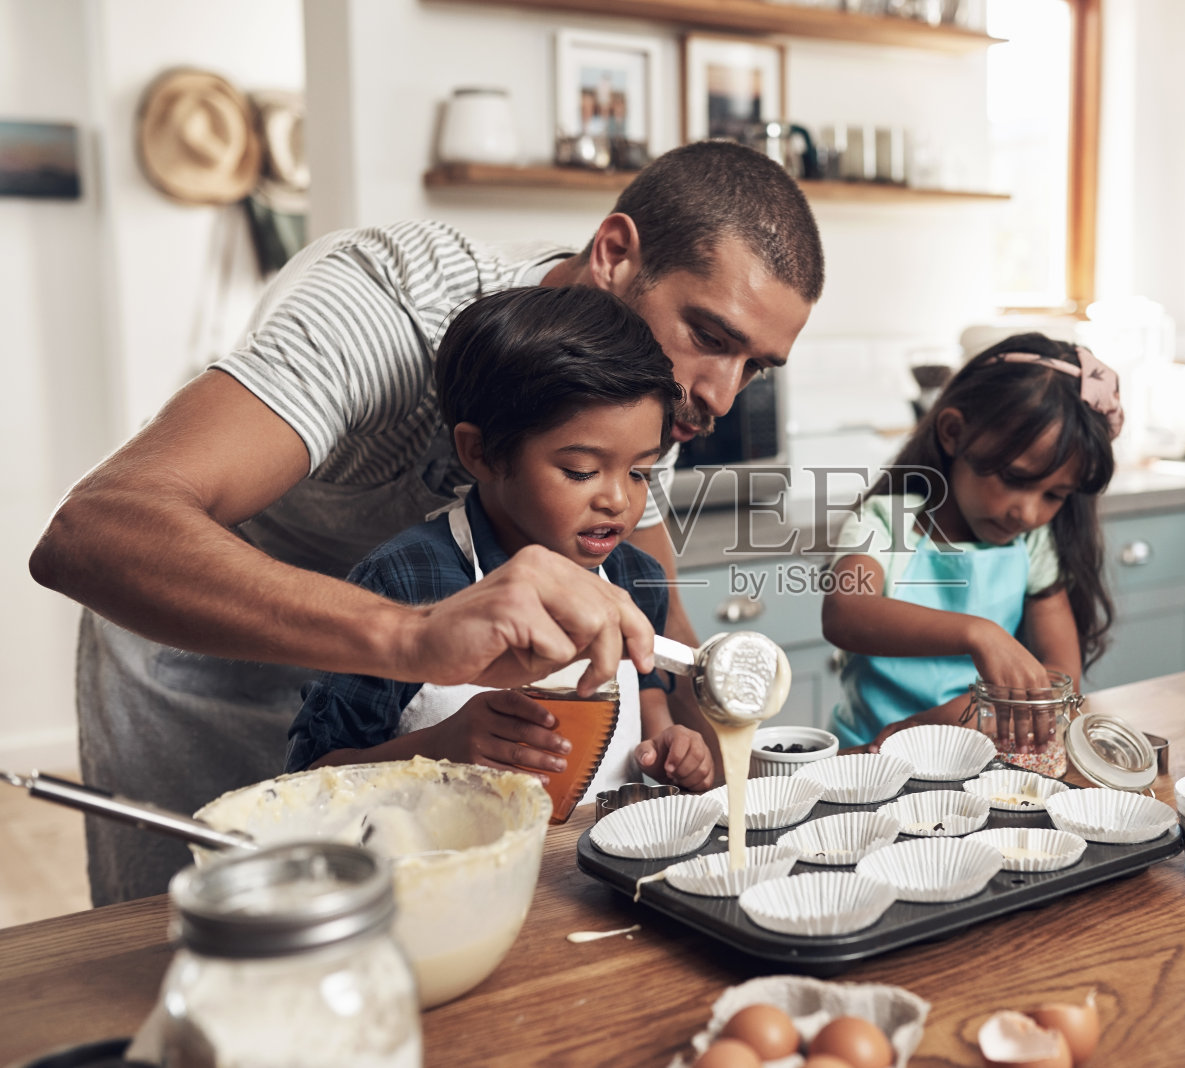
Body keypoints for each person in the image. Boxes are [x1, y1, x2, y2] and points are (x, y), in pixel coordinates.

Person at [29, 141, 822, 904]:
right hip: (203, 658)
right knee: (192, 947)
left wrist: (706, 724)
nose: (721, 395)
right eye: (712, 338)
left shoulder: (644, 384)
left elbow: (644, 600)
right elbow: (95, 530)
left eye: (753, 366)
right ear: (615, 253)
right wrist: (414, 636)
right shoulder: (386, 308)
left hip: (417, 693)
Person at [286, 285, 712, 795]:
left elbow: (652, 723)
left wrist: (671, 751)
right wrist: (441, 746)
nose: (618, 500)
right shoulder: (404, 579)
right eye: (581, 471)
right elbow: (306, 782)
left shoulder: (636, 581)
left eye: (641, 472)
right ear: (481, 453)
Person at [820, 333, 1122, 754]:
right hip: (868, 756)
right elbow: (845, 613)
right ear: (953, 433)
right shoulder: (885, 523)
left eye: (1055, 495)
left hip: (979, 760)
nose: (1028, 514)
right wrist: (980, 634)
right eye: (1015, 479)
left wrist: (939, 724)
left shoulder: (1033, 543)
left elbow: (1060, 676)